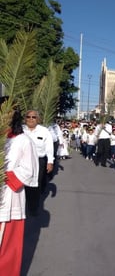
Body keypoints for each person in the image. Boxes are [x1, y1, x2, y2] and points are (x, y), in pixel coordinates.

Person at [0, 103, 39, 276]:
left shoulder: (23, 140)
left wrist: (3, 173)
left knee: (6, 246)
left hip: (9, 198)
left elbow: (28, 171)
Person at [23, 110, 54, 216]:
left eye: (33, 117)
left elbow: (49, 147)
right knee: (23, 184)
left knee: (36, 185)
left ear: (38, 119)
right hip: (23, 162)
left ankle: (33, 208)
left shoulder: (44, 131)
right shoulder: (21, 130)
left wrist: (50, 162)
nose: (31, 119)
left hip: (38, 161)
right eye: (28, 117)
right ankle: (24, 205)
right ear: (25, 118)